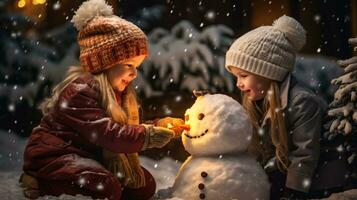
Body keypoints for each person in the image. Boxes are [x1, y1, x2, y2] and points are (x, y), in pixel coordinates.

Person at [19, 0, 184, 199]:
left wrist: (160, 125)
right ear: (104, 63)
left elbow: (123, 128)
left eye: (137, 66)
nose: (134, 73)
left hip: (90, 153)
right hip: (58, 156)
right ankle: (42, 182)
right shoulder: (80, 93)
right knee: (105, 187)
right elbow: (108, 134)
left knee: (143, 186)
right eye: (128, 64)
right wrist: (148, 136)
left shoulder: (119, 93)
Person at [225, 15, 352, 199]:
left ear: (268, 73)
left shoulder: (302, 102)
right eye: (236, 77)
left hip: (320, 185)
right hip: (284, 176)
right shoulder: (256, 101)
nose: (238, 84)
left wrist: (293, 192)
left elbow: (304, 155)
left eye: (243, 75)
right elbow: (257, 148)